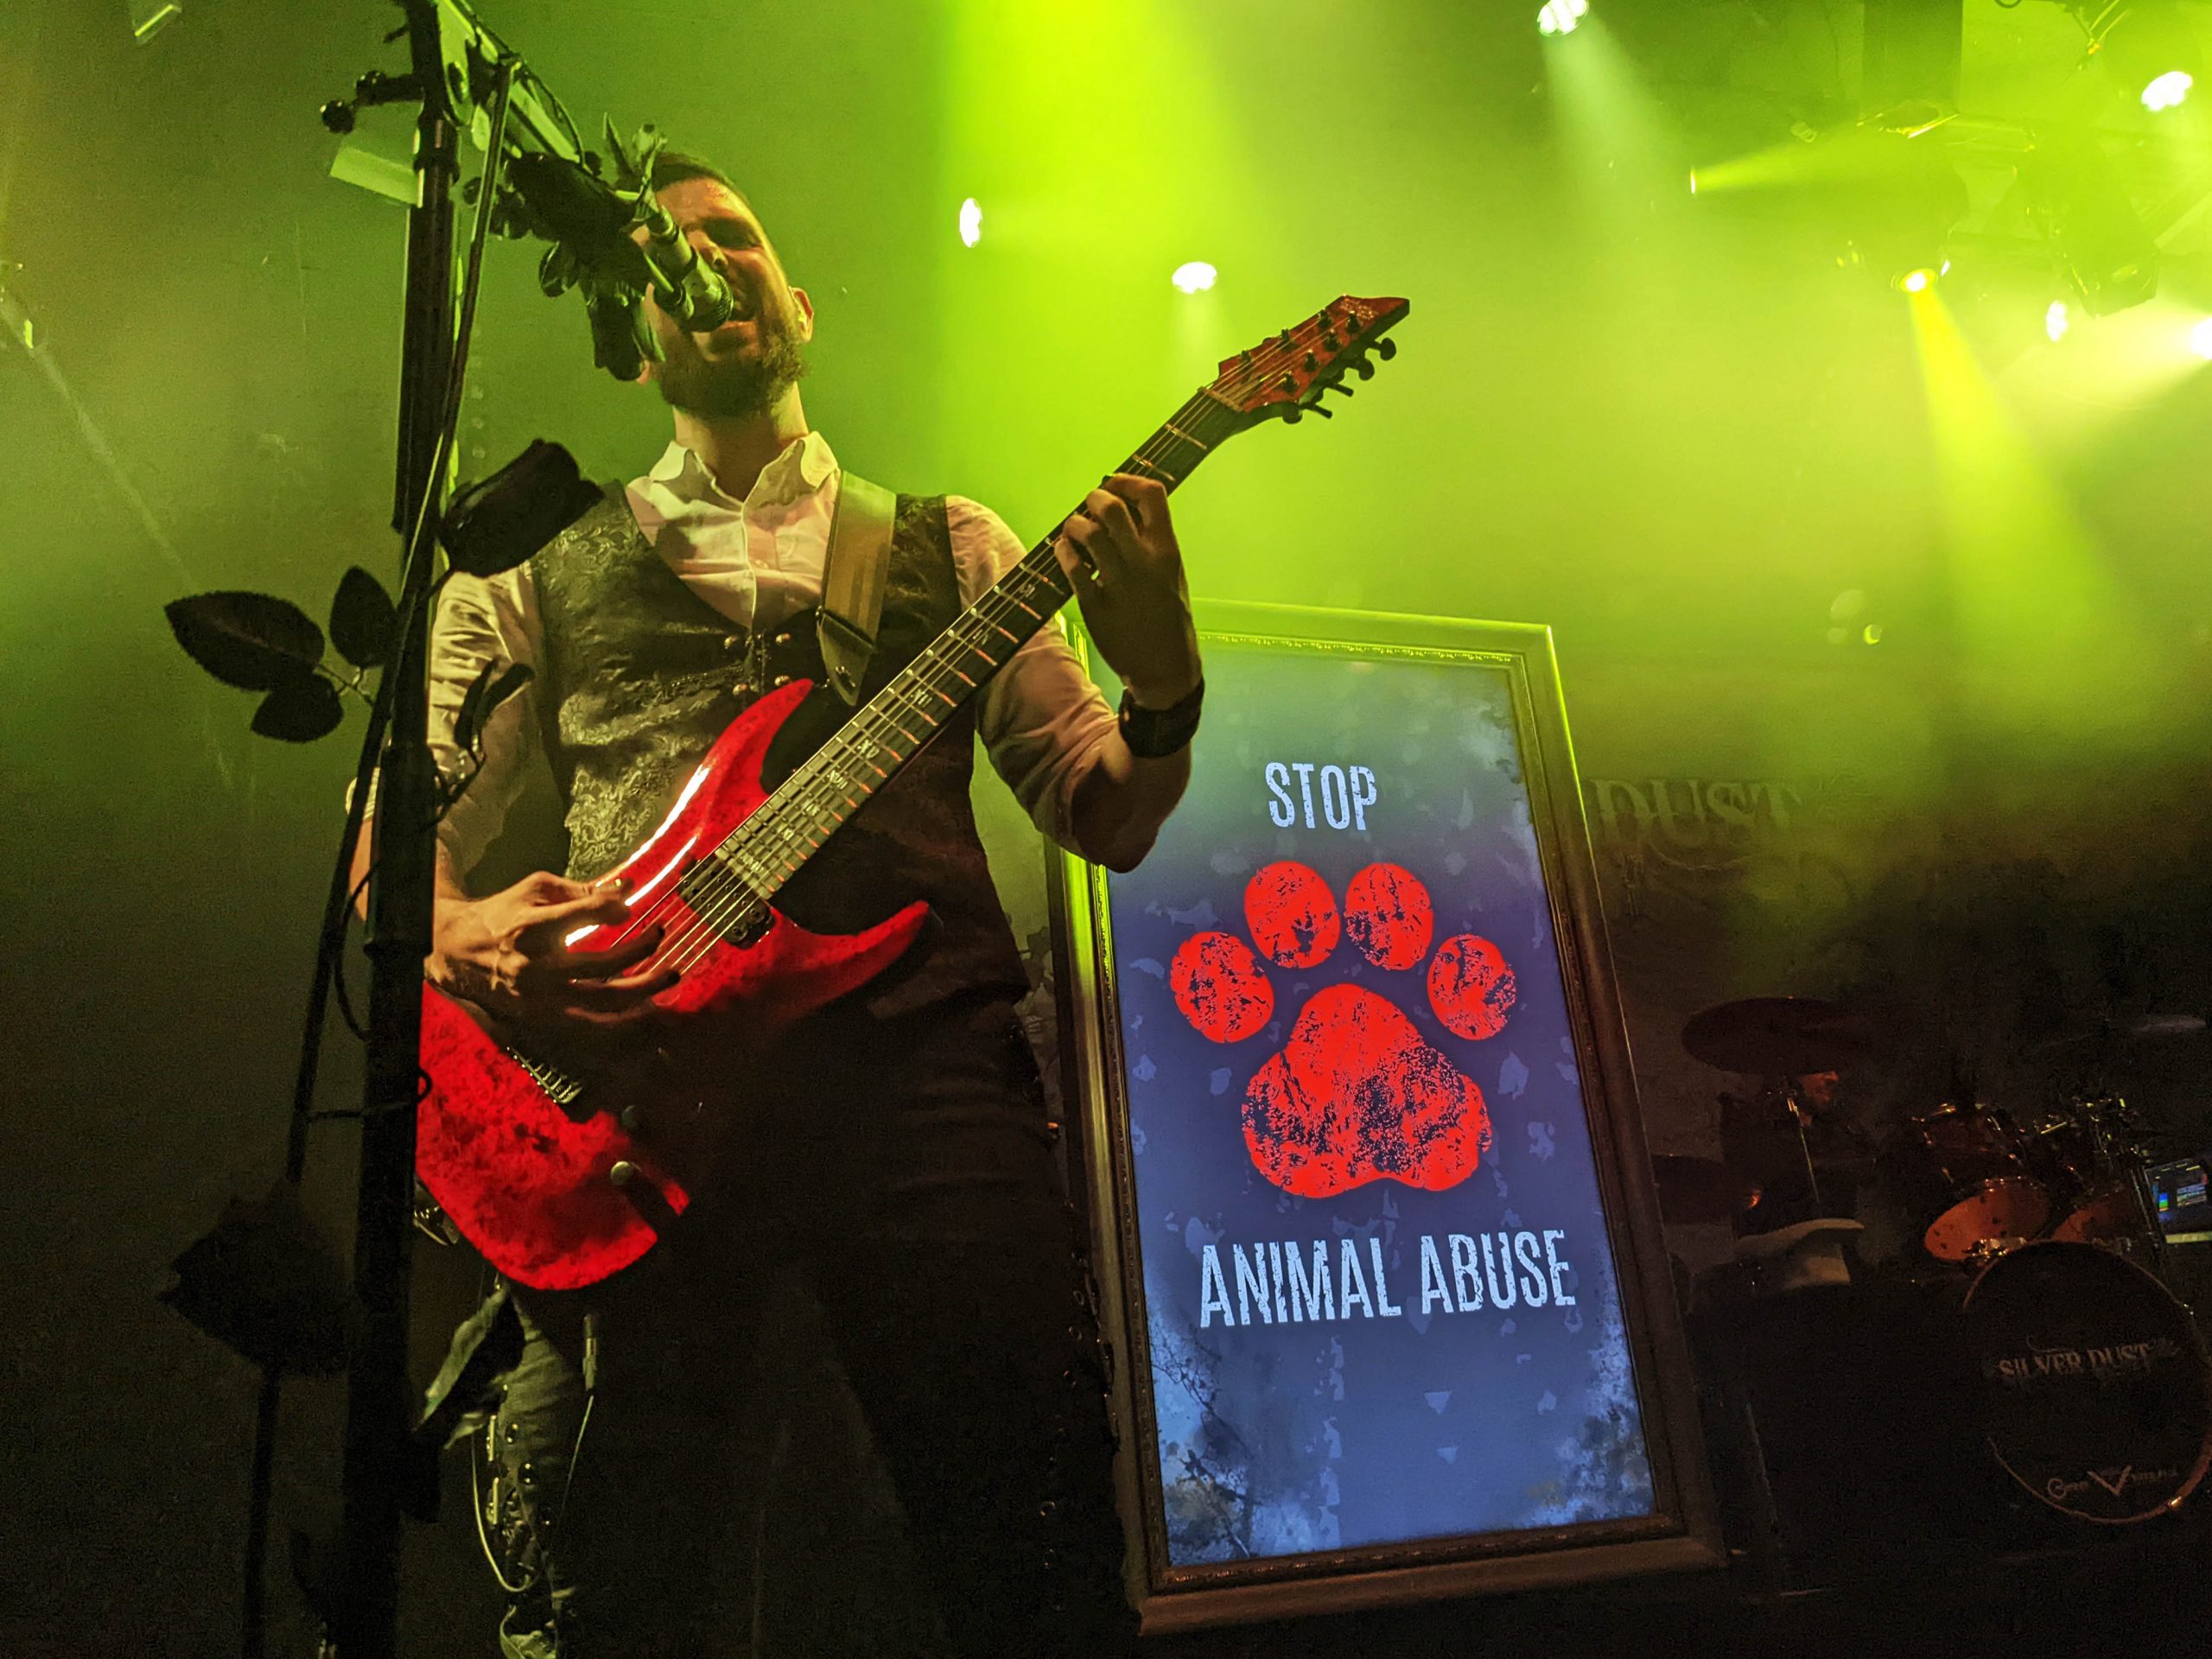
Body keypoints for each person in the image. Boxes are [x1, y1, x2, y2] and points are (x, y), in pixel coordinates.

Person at [401, 150, 1203, 1656]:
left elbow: (1105, 813)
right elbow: (395, 844)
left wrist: (1162, 683)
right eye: (670, 255)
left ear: (801, 305)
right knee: (622, 1586)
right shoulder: (529, 573)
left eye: (737, 237)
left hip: (924, 1081)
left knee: (1028, 1545)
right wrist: (458, 934)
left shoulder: (958, 543)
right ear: (636, 343)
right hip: (632, 1104)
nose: (712, 263)